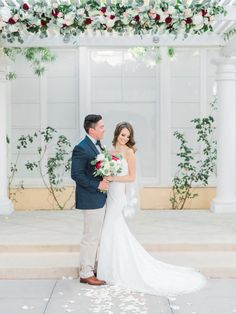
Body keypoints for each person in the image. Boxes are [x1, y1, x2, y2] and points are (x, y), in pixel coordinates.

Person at [97, 121, 207, 296]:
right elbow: (104, 172)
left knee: (110, 228)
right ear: (117, 133)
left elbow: (131, 177)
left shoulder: (129, 152)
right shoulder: (109, 152)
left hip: (118, 197)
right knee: (112, 230)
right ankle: (109, 267)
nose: (124, 138)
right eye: (122, 134)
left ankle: (112, 270)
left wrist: (113, 178)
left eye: (127, 135)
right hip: (109, 195)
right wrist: (105, 174)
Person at [71, 114, 108, 286]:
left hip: (100, 198)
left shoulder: (98, 145)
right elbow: (76, 175)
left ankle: (91, 267)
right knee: (90, 237)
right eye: (101, 126)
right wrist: (98, 185)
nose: (104, 129)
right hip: (91, 198)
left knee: (95, 236)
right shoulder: (81, 148)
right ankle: (86, 272)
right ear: (91, 130)